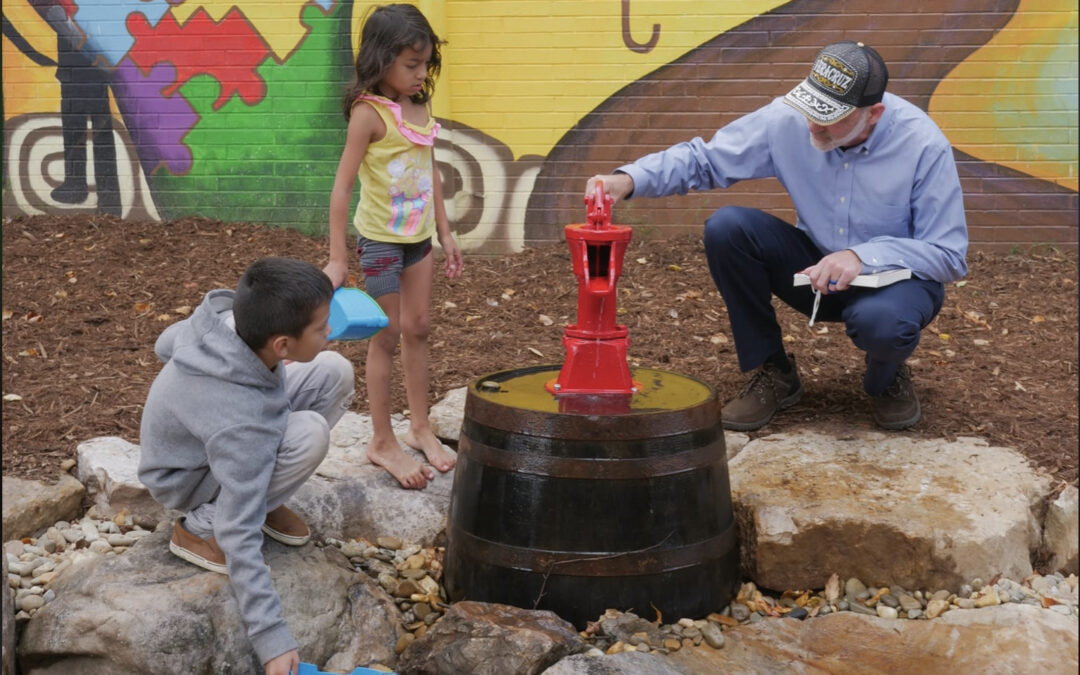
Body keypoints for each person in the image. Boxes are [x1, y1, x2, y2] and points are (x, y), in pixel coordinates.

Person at [587, 41, 967, 431]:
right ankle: (774, 372)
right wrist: (629, 179)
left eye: (832, 116)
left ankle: (886, 377)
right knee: (728, 228)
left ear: (874, 114)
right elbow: (707, 159)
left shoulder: (922, 143)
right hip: (815, 270)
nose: (813, 126)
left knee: (882, 323)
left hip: (892, 288)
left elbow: (949, 254)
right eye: (811, 108)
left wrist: (862, 255)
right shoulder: (789, 118)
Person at [139, 257, 355, 675]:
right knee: (309, 434)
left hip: (229, 433)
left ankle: (263, 491)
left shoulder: (225, 319)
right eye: (320, 326)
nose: (330, 330)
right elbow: (239, 532)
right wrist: (272, 639)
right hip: (190, 480)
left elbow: (165, 342)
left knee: (334, 371)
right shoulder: (240, 418)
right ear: (281, 346)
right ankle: (200, 528)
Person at [324, 3, 462, 489]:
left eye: (425, 64)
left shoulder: (420, 105)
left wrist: (445, 232)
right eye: (411, 64)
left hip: (419, 240)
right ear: (381, 60)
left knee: (418, 327)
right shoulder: (369, 114)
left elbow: (429, 176)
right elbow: (341, 189)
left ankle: (419, 425)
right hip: (381, 243)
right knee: (384, 336)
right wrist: (339, 258)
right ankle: (382, 440)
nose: (421, 74)